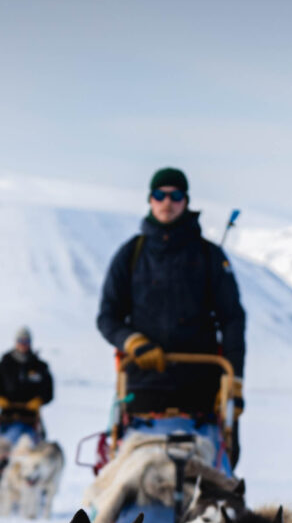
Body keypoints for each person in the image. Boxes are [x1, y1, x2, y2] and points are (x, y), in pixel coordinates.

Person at [96, 166, 246, 469]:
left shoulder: (210, 257)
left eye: (175, 195)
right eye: (159, 195)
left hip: (201, 391)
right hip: (143, 389)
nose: (167, 202)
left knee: (217, 479)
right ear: (150, 200)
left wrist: (234, 383)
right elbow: (107, 316)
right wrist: (133, 342)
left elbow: (232, 320)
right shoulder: (130, 255)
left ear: (186, 201)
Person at [0, 326, 53, 445]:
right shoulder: (4, 364)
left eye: (26, 341)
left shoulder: (39, 367)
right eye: (20, 341)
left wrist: (40, 400)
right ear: (15, 342)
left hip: (29, 418)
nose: (23, 344)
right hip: (6, 416)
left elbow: (48, 390)